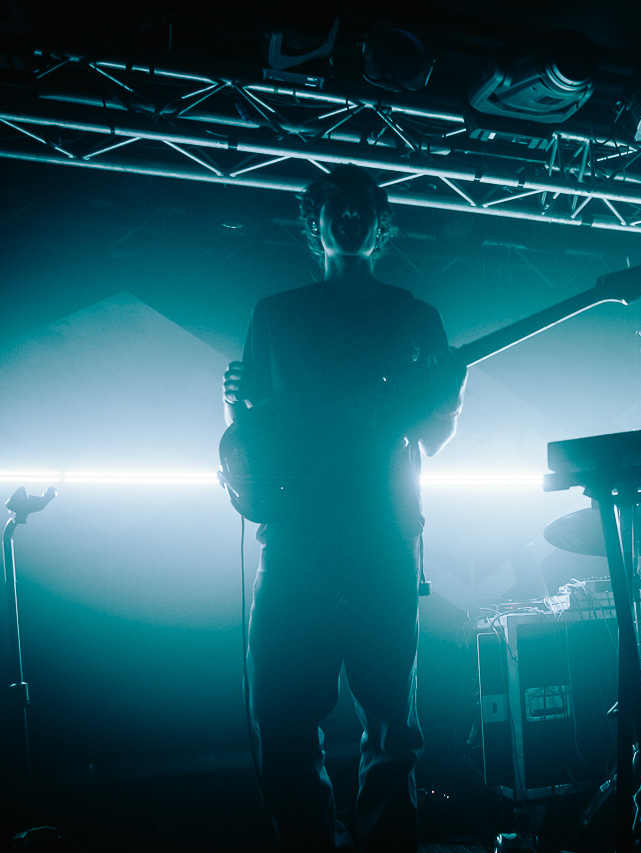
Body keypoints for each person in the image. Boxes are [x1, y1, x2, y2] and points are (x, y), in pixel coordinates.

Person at [222, 165, 465, 851]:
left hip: (380, 539)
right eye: (339, 206)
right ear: (317, 221)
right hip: (295, 541)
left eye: (363, 207)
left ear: (381, 223)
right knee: (283, 722)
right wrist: (230, 408)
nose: (351, 216)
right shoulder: (276, 315)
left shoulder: (414, 317)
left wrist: (451, 398)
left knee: (391, 726)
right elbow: (251, 438)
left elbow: (433, 436)